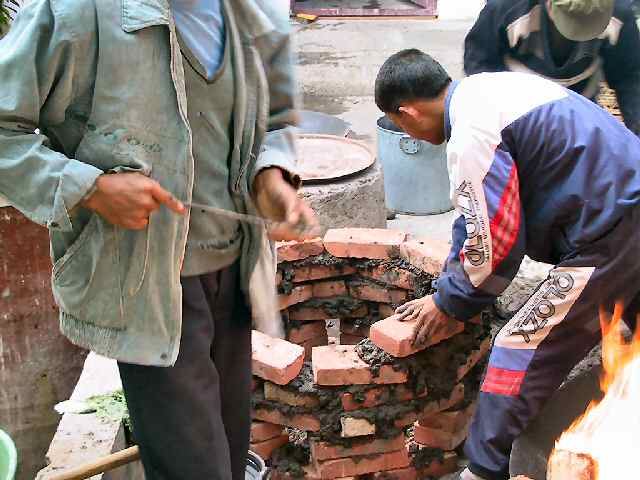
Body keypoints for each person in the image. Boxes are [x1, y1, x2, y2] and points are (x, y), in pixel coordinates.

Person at [0, 0, 317, 479]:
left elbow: (277, 115)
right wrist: (90, 188)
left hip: (233, 278)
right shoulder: (76, 12)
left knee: (229, 458)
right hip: (146, 287)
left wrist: (271, 175)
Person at [375, 49, 640, 480]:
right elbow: (472, 213)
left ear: (405, 112)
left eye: (401, 123)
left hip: (611, 229)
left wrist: (451, 305)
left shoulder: (472, 131)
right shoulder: (486, 91)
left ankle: (482, 468)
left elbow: (495, 239)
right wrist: (448, 287)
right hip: (625, 205)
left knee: (520, 346)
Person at [464, 0, 640, 136]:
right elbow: (479, 68)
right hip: (517, 117)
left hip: (580, 116)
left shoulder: (619, 12)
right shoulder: (506, 7)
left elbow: (630, 78)